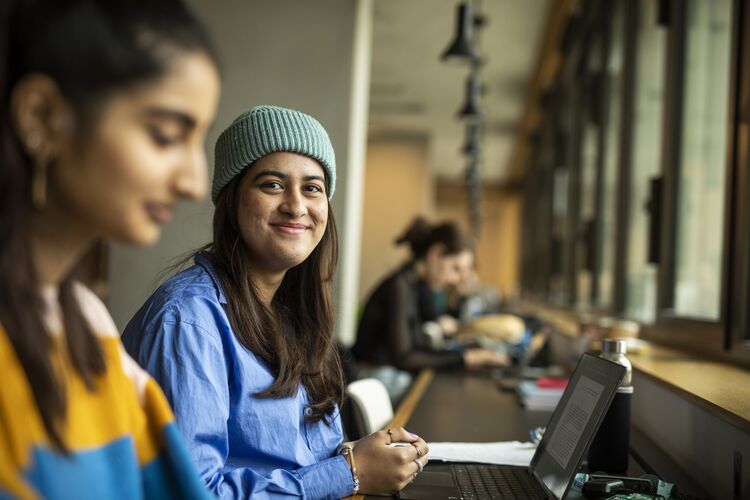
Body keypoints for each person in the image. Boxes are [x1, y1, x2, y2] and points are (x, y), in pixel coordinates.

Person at [122, 105, 429, 499]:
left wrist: (360, 456)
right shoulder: (188, 321)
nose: (296, 206)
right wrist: (350, 473)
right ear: (231, 202)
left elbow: (292, 461)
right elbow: (194, 493)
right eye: (272, 184)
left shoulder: (288, 313)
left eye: (313, 188)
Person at [0, 0, 221, 498]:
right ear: (41, 117)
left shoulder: (85, 321)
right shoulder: (176, 313)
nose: (193, 181)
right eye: (164, 136)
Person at [353, 218, 509, 372]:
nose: (456, 280)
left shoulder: (418, 286)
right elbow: (404, 357)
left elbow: (423, 343)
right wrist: (467, 358)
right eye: (455, 268)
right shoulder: (399, 286)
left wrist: (465, 354)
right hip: (373, 379)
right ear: (436, 254)